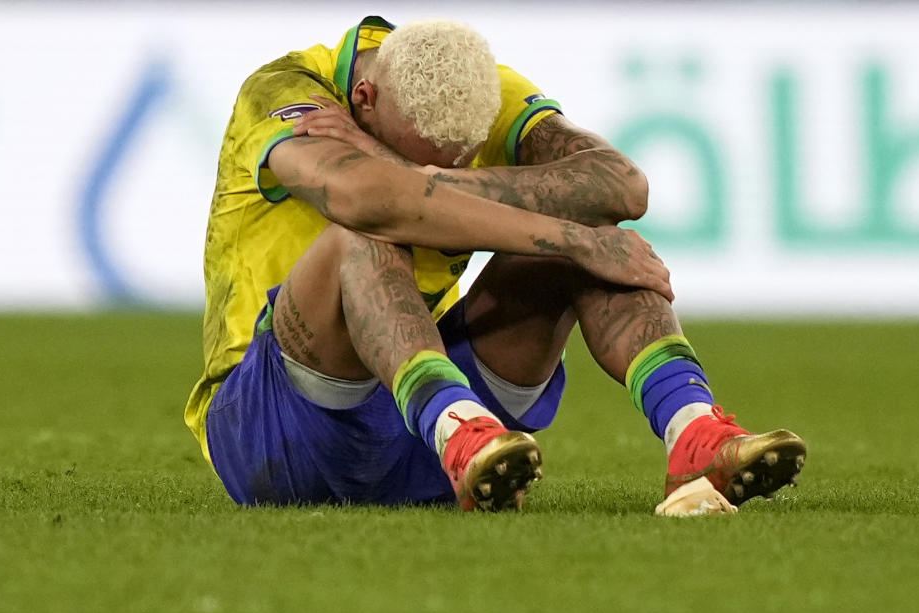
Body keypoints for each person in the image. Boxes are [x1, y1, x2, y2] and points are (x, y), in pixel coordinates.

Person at [185, 16, 806, 514]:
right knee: (363, 233)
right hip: (275, 430)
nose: (448, 177)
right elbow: (364, 199)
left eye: (462, 161)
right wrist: (561, 234)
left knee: (596, 230)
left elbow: (620, 184)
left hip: (428, 415)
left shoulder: (486, 91)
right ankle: (457, 430)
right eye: (429, 162)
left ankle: (694, 432)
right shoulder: (284, 92)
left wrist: (423, 179)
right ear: (364, 100)